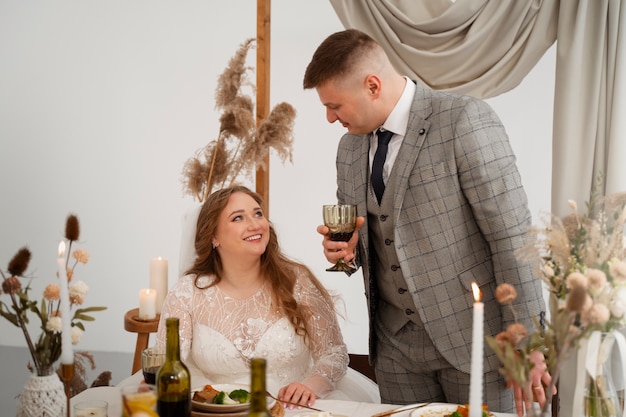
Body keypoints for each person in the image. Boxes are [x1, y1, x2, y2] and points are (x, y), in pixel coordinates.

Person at [303, 29, 551, 415]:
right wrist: (346, 253)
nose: (329, 117)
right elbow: (363, 238)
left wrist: (531, 345)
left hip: (478, 344)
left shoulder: (464, 120)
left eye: (335, 105)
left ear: (372, 85)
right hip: (395, 350)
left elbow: (513, 237)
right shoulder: (349, 147)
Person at [156, 185, 349, 407]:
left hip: (294, 409)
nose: (255, 224)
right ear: (213, 236)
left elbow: (334, 353)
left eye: (258, 213)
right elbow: (166, 365)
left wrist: (310, 386)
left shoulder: (297, 280)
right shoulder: (187, 293)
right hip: (217, 413)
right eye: (238, 218)